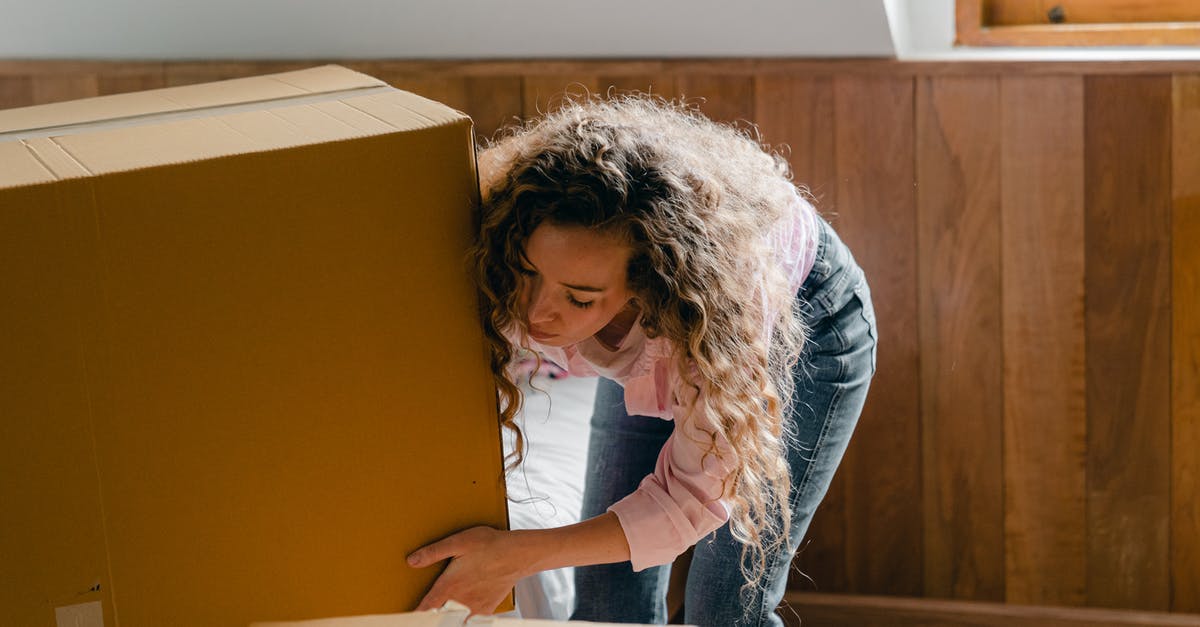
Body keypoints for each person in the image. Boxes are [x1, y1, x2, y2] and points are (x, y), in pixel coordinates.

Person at [406, 94, 876, 626]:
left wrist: (519, 554)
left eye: (579, 298)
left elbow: (689, 501)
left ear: (645, 289)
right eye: (528, 272)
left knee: (723, 608)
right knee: (605, 602)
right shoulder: (508, 257)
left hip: (806, 322)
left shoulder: (716, 314)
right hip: (674, 330)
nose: (538, 312)